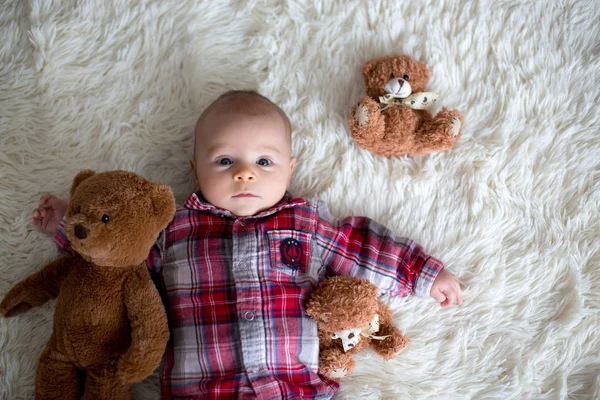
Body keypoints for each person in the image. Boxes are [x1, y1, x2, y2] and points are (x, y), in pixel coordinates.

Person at [31, 90, 463, 400]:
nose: (245, 174)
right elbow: (114, 257)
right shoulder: (174, 227)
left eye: (264, 161)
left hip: (293, 389)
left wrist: (424, 274)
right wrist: (68, 223)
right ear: (195, 169)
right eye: (224, 161)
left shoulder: (305, 224)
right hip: (200, 389)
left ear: (289, 169)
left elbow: (363, 249)